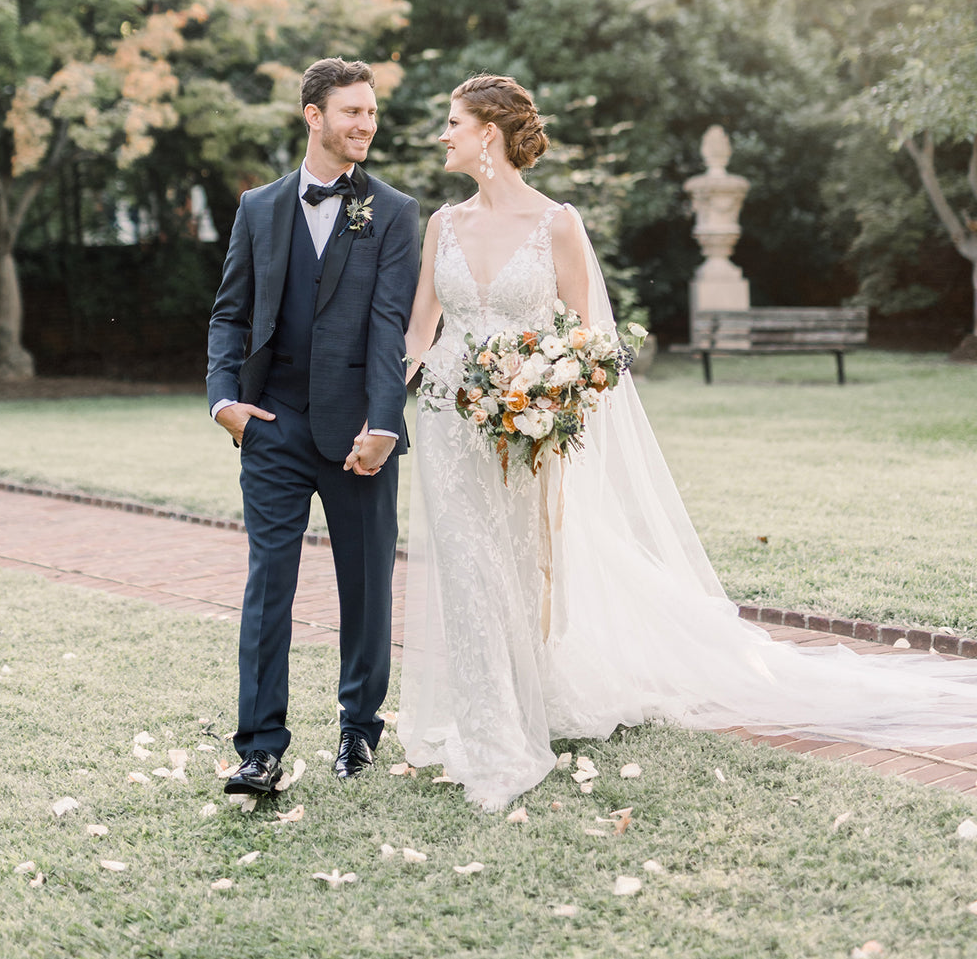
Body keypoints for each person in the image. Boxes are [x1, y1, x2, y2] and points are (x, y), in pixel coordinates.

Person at [399, 73, 977, 811]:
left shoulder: (557, 225)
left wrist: (547, 387)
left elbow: (593, 339)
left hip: (521, 425)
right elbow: (420, 332)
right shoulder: (443, 224)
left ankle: (511, 716)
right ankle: (487, 731)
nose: (442, 134)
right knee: (465, 565)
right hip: (449, 420)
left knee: (512, 565)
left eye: (452, 122)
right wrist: (381, 402)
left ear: (488, 132)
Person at [207, 58, 419, 794]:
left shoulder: (394, 210)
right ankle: (259, 747)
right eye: (351, 111)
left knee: (366, 588)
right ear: (313, 114)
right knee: (270, 584)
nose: (365, 123)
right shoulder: (259, 207)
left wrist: (384, 424)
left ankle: (359, 731)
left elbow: (393, 327)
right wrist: (223, 401)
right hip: (271, 428)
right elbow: (229, 313)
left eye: (371, 111)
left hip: (361, 433)